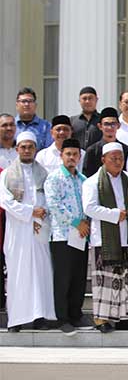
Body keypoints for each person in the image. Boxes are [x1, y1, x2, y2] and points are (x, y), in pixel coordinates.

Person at [0, 131, 55, 331]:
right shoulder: (7, 174)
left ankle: (40, 316)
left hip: (39, 229)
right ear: (17, 149)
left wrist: (41, 213)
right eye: (23, 147)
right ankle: (16, 319)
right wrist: (30, 212)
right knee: (18, 274)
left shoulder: (44, 173)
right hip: (18, 230)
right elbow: (5, 201)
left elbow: (50, 198)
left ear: (35, 149)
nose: (26, 150)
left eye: (30, 147)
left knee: (41, 273)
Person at [82, 142, 128, 332]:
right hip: (104, 240)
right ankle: (101, 320)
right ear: (103, 159)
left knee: (125, 281)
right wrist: (114, 214)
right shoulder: (93, 182)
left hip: (125, 238)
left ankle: (124, 317)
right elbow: (89, 208)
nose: (118, 162)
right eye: (113, 158)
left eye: (120, 158)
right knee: (104, 282)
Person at [43, 137, 91, 335]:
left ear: (79, 157)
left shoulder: (83, 180)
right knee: (63, 278)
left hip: (81, 235)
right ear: (61, 156)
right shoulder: (54, 178)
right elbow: (54, 205)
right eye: (68, 154)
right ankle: (62, 319)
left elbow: (88, 204)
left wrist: (85, 223)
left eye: (75, 154)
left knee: (79, 277)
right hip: (62, 236)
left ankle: (75, 315)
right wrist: (76, 222)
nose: (72, 157)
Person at [83, 107, 128, 177]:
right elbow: (87, 176)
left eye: (113, 124)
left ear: (118, 125)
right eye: (106, 124)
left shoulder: (126, 150)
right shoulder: (92, 151)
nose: (110, 127)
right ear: (100, 126)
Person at [70, 86, 102, 150]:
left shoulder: (102, 120)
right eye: (84, 99)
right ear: (79, 101)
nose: (87, 101)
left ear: (96, 100)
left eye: (90, 98)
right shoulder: (72, 121)